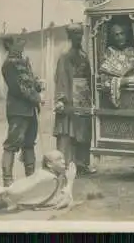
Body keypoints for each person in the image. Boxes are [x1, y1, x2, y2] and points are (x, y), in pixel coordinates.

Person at [53, 23, 97, 176]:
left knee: (84, 131)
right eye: (75, 34)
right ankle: (65, 165)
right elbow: (61, 78)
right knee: (68, 132)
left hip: (84, 97)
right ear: (70, 36)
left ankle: (82, 164)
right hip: (70, 97)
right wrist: (61, 98)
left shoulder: (84, 55)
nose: (79, 37)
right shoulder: (65, 55)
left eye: (80, 34)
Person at [0, 34, 43, 187]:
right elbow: (18, 88)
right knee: (12, 144)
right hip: (18, 111)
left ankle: (31, 179)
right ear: (9, 45)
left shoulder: (24, 62)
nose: (22, 43)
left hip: (30, 110)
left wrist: (38, 84)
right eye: (18, 41)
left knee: (29, 143)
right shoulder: (9, 65)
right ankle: (7, 180)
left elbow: (30, 83)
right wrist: (36, 97)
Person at [99, 23, 134, 108]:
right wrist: (127, 80)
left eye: (122, 34)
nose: (120, 37)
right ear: (112, 37)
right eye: (116, 35)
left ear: (126, 35)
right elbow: (105, 81)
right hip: (113, 101)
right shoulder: (109, 52)